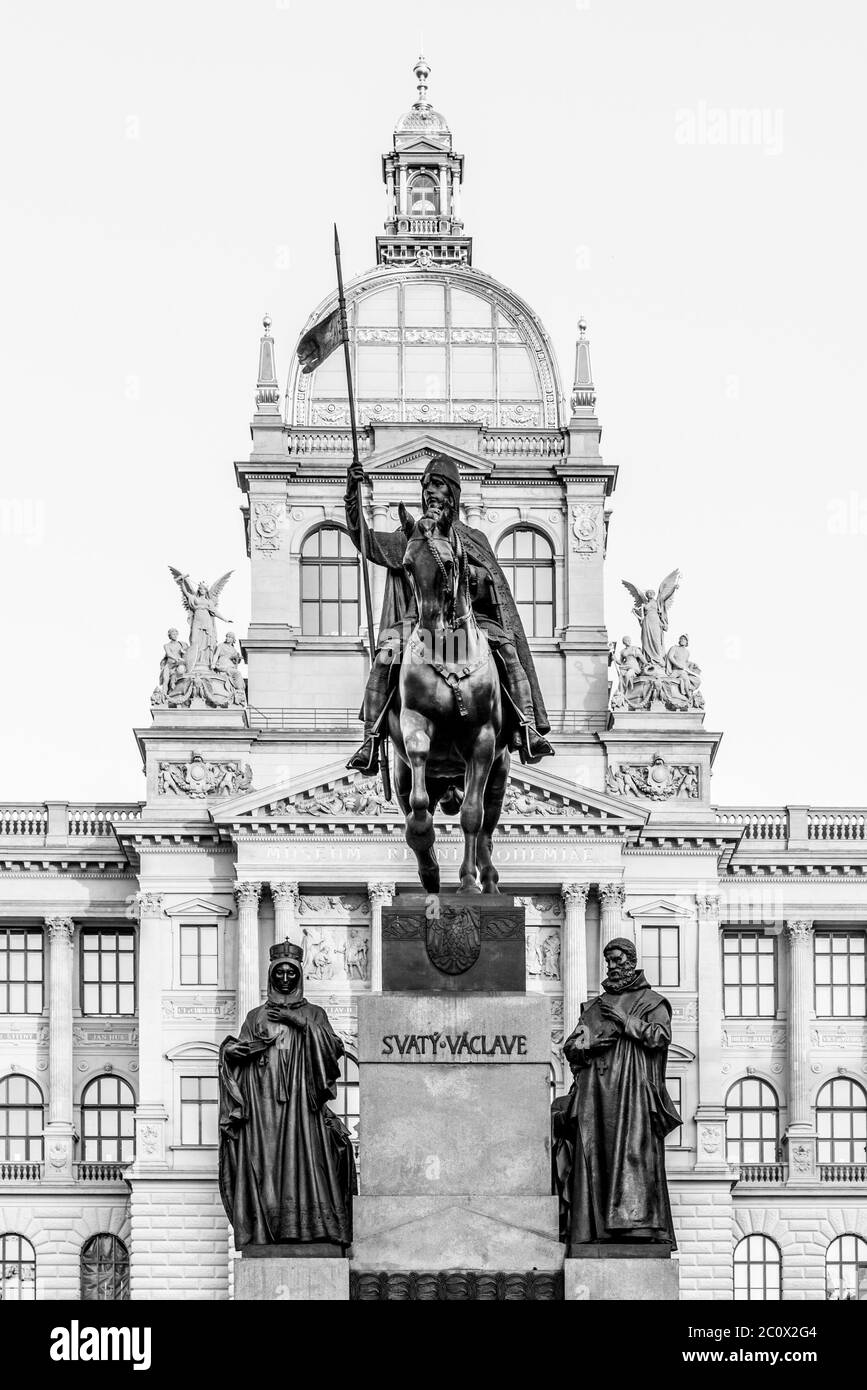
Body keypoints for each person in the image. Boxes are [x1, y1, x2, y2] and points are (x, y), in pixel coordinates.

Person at [344, 452, 553, 774]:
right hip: (420, 625)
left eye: (438, 485)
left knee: (508, 652)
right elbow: (367, 542)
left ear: (452, 494)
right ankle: (370, 740)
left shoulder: (474, 538)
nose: (430, 492)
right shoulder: (412, 536)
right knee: (385, 655)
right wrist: (353, 498)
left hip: (470, 622)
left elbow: (491, 585)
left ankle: (527, 728)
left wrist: (472, 578)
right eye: (427, 486)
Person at [218, 940, 356, 1249]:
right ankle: (268, 1229)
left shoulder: (315, 1013)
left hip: (302, 1105)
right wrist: (230, 1051)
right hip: (264, 1108)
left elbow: (334, 1049)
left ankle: (311, 1229)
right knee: (266, 1168)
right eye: (278, 973)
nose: (284, 979)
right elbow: (238, 1052)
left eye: (290, 974)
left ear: (298, 977)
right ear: (270, 976)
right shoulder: (255, 1017)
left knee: (311, 1163)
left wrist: (299, 1022)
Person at [554, 937, 680, 1251]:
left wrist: (626, 1023)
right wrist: (590, 1046)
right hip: (596, 1097)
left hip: (632, 1095)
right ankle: (593, 1229)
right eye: (608, 959)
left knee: (633, 1159)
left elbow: (660, 1036)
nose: (612, 965)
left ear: (631, 960)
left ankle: (634, 1227)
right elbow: (571, 1047)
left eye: (617, 959)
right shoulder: (596, 1006)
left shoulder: (652, 1001)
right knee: (596, 1159)